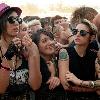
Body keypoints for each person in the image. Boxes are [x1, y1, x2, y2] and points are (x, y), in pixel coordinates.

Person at [0, 3, 42, 100]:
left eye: (18, 19)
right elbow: (1, 89)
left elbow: (35, 85)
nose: (16, 23)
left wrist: (33, 54)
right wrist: (8, 57)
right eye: (11, 19)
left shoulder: (29, 46)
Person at [59, 19, 100, 100]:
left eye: (82, 33)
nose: (77, 35)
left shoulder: (95, 55)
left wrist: (78, 82)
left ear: (92, 37)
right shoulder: (64, 52)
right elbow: (66, 86)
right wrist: (94, 87)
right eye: (75, 31)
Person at [32, 29, 68, 100]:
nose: (50, 42)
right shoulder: (36, 66)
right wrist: (53, 76)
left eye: (51, 39)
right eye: (44, 41)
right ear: (36, 47)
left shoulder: (58, 58)